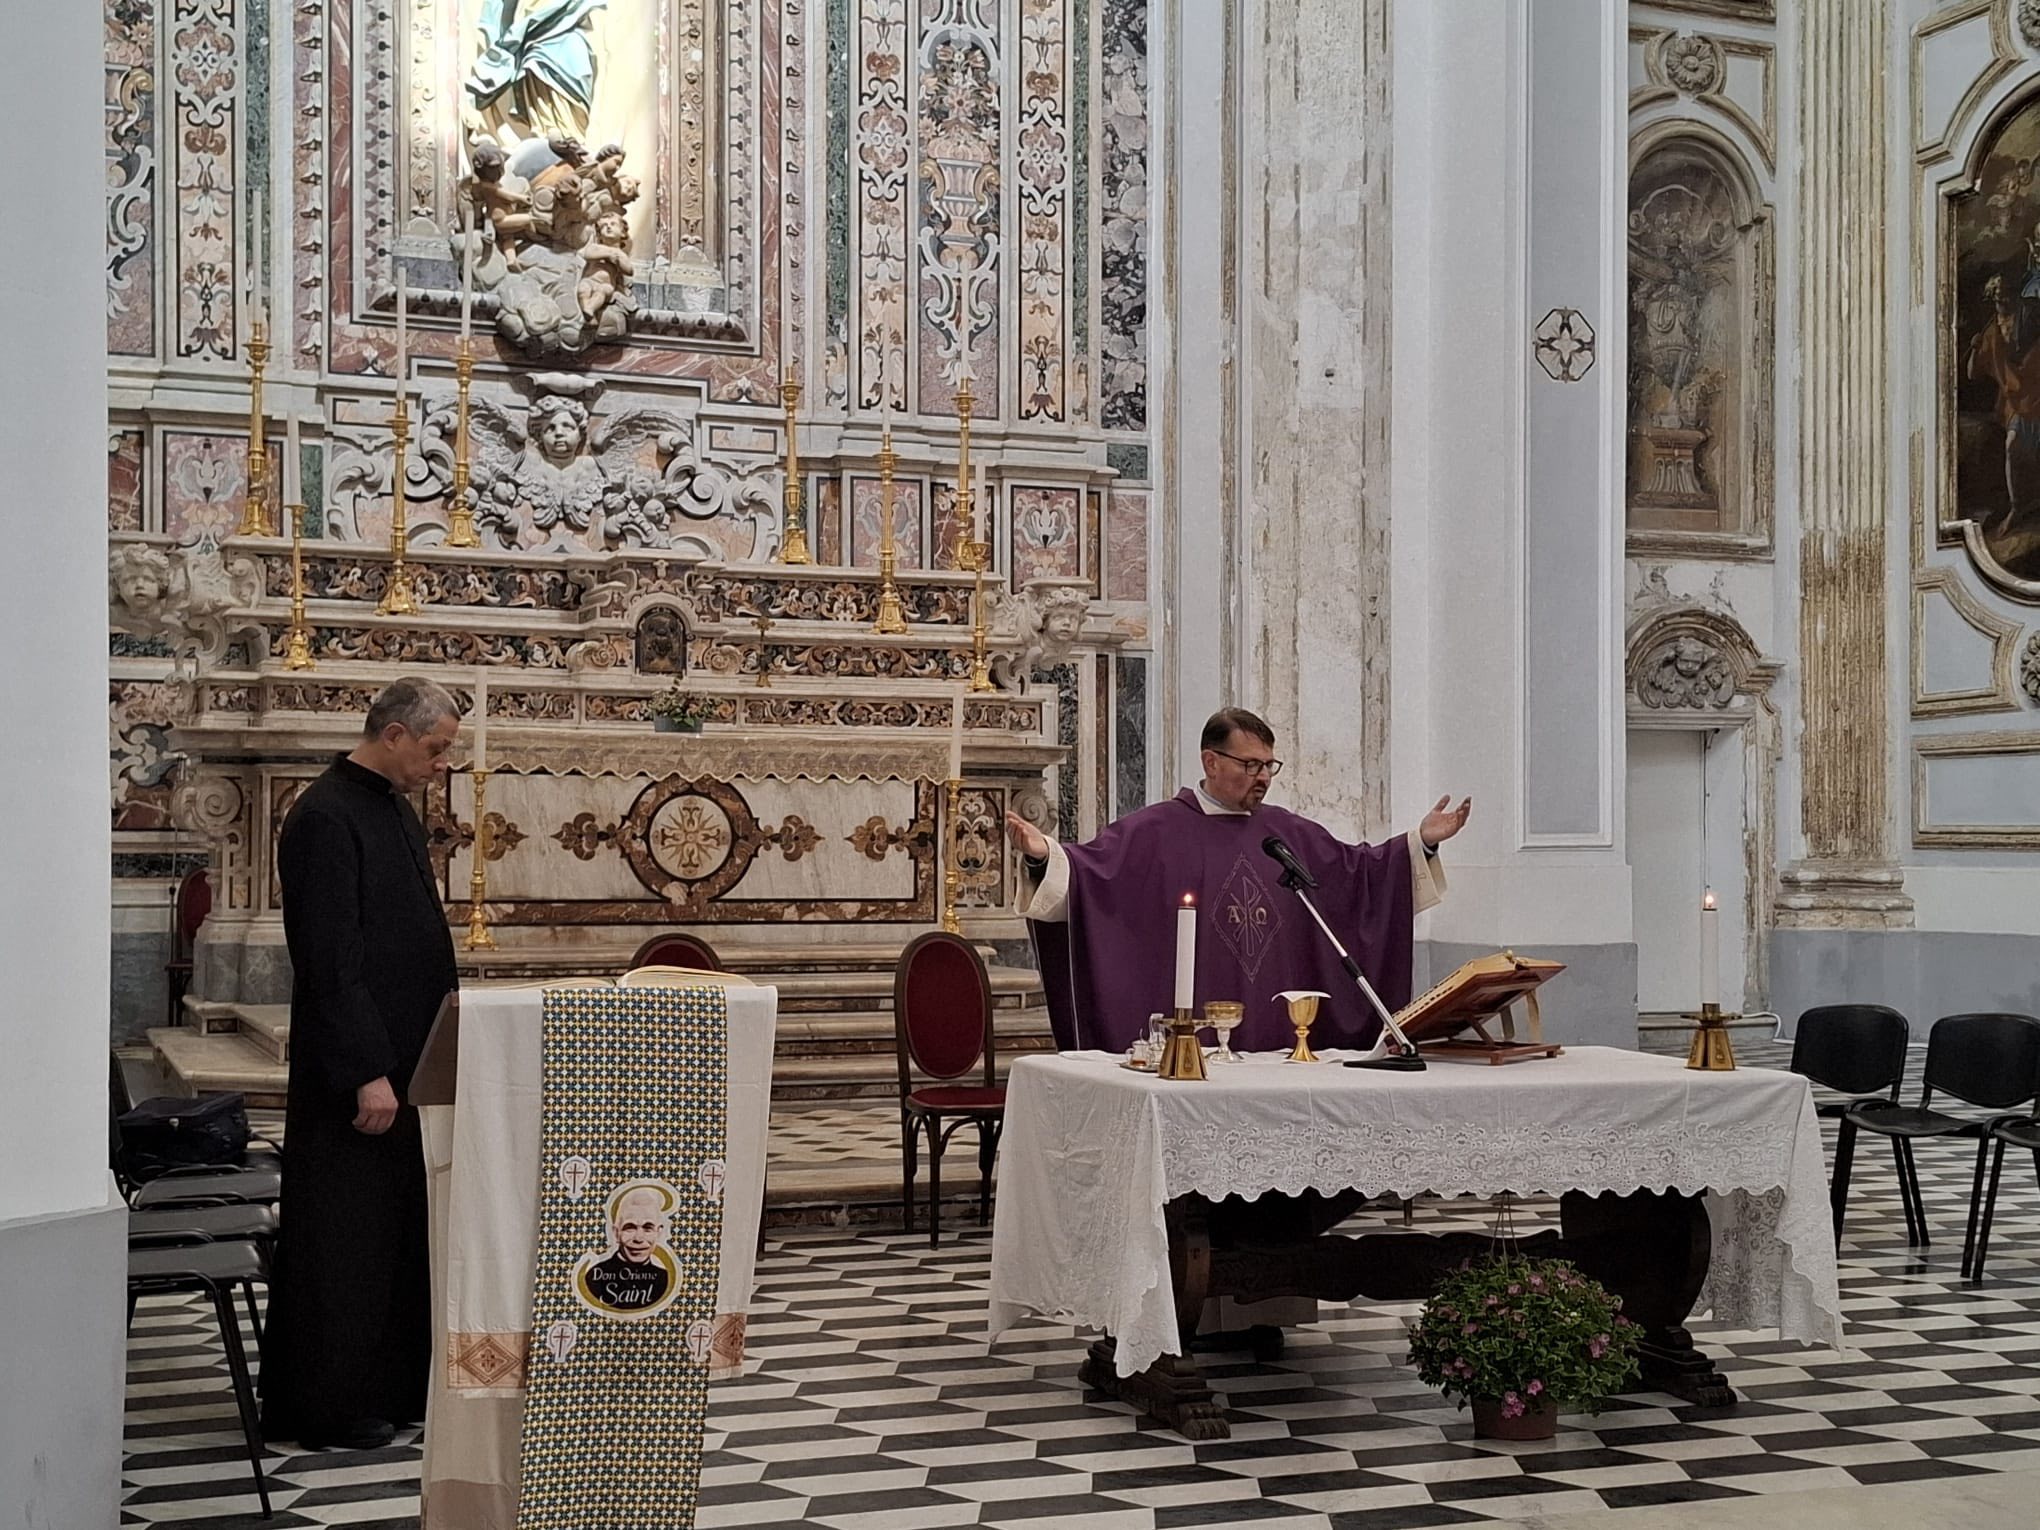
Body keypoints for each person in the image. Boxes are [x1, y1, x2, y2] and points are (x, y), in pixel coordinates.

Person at [1006, 707, 1470, 1055]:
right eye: (1250, 765)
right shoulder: (1154, 832)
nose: (1263, 777)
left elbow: (1360, 875)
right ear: (1211, 762)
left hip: (1280, 1039)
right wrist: (1044, 855)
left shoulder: (1286, 834)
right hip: (1195, 1045)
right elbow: (1092, 875)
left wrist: (1421, 842)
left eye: (1269, 765)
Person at [260, 678, 464, 1451]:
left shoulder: (391, 807)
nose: (443, 764)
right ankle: (325, 1405)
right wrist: (365, 1069)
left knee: (394, 1233)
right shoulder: (324, 815)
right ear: (394, 734)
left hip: (407, 1059)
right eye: (436, 748)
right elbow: (329, 957)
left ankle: (388, 1387)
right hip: (359, 1071)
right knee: (345, 1238)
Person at [580, 1184, 675, 1314]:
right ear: (616, 1233)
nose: (639, 1238)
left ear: (658, 1233)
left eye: (648, 1228)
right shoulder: (593, 1278)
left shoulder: (664, 1279)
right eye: (630, 1228)